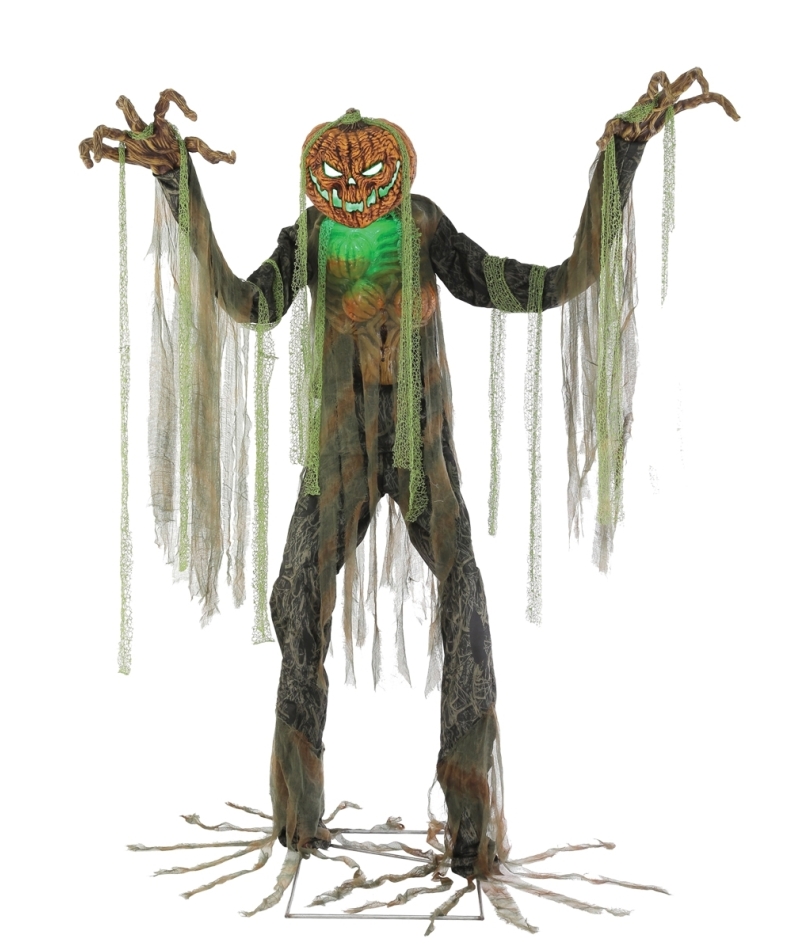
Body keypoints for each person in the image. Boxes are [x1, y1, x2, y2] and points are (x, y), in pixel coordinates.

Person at [80, 74, 738, 885]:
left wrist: (621, 161)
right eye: (339, 178)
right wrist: (178, 182)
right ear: (318, 181)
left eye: (370, 176)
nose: (355, 192)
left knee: (464, 600)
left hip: (422, 457)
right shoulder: (311, 239)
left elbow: (553, 280)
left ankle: (469, 828)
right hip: (339, 457)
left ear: (397, 174)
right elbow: (249, 304)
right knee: (297, 597)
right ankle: (298, 816)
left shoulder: (423, 227)